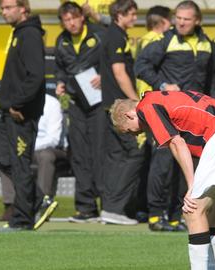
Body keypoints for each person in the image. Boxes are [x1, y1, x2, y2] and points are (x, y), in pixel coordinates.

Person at [110, 90, 215, 269]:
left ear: (128, 114)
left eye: (129, 131)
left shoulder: (146, 106)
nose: (135, 135)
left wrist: (191, 185)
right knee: (214, 214)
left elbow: (176, 143)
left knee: (192, 210)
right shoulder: (166, 97)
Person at [135, 0, 212, 232]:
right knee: (163, 164)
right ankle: (156, 215)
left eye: (186, 19)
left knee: (187, 166)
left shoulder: (207, 43)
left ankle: (179, 215)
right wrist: (163, 84)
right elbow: (141, 65)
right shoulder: (166, 40)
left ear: (197, 20)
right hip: (167, 113)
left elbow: (210, 79)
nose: (181, 22)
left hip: (193, 117)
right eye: (178, 17)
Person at [0, 0, 46, 231]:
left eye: (8, 7)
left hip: (20, 114)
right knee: (1, 156)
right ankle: (38, 200)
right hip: (8, 113)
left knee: (20, 164)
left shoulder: (30, 34)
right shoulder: (18, 33)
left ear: (23, 8)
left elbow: (36, 76)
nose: (4, 12)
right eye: (2, 8)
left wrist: (18, 104)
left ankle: (23, 220)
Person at [54, 1, 106, 223]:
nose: (71, 23)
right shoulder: (61, 40)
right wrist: (60, 83)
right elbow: (60, 69)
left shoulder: (99, 34)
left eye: (74, 18)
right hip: (76, 104)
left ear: (82, 18)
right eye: (66, 20)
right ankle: (85, 208)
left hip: (99, 104)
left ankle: (107, 206)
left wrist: (104, 76)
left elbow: (114, 61)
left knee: (100, 154)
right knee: (80, 156)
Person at [99, 0, 144, 225]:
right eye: (132, 14)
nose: (135, 18)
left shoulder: (113, 34)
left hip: (111, 106)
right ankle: (115, 207)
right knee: (135, 154)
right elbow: (119, 73)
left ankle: (110, 208)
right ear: (120, 14)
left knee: (116, 157)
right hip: (120, 107)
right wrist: (136, 100)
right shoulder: (116, 36)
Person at [0, 94, 67, 230]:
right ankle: (11, 204)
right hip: (26, 146)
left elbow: (53, 138)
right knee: (4, 156)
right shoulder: (17, 104)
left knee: (45, 157)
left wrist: (27, 147)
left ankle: (42, 204)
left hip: (49, 148)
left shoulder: (52, 104)